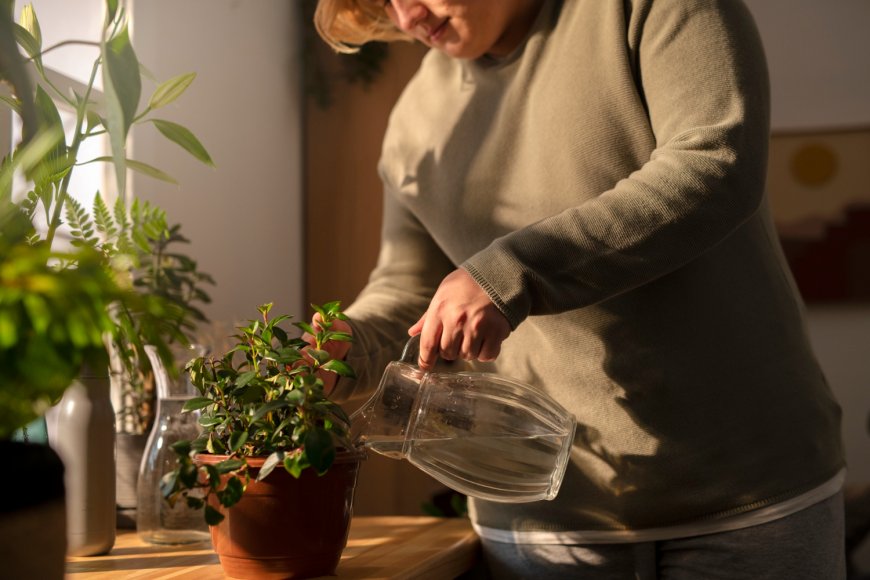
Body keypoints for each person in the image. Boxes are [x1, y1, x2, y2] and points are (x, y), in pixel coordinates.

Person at [309, 0, 847, 577]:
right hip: (539, 522)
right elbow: (412, 289)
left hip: (746, 493)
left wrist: (509, 273)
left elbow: (716, 161)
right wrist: (350, 346)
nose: (407, 14)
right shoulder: (415, 120)